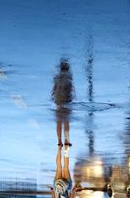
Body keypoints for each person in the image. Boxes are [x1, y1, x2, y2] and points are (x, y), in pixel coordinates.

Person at [51, 59, 76, 198]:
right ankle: (60, 145)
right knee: (58, 168)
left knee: (65, 167)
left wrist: (74, 191)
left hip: (66, 187)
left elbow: (72, 195)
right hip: (58, 187)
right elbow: (53, 195)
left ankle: (65, 147)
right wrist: (52, 191)